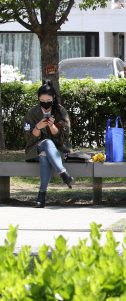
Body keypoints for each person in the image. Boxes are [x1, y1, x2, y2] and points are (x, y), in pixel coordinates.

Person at [23, 80, 74, 208]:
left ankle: (41, 196)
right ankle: (63, 173)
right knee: (46, 143)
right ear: (39, 99)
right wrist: (37, 128)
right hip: (34, 148)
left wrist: (53, 129)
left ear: (53, 98)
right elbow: (28, 140)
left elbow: (65, 136)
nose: (45, 103)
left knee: (44, 154)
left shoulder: (60, 112)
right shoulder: (32, 113)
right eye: (42, 100)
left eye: (48, 100)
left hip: (57, 150)